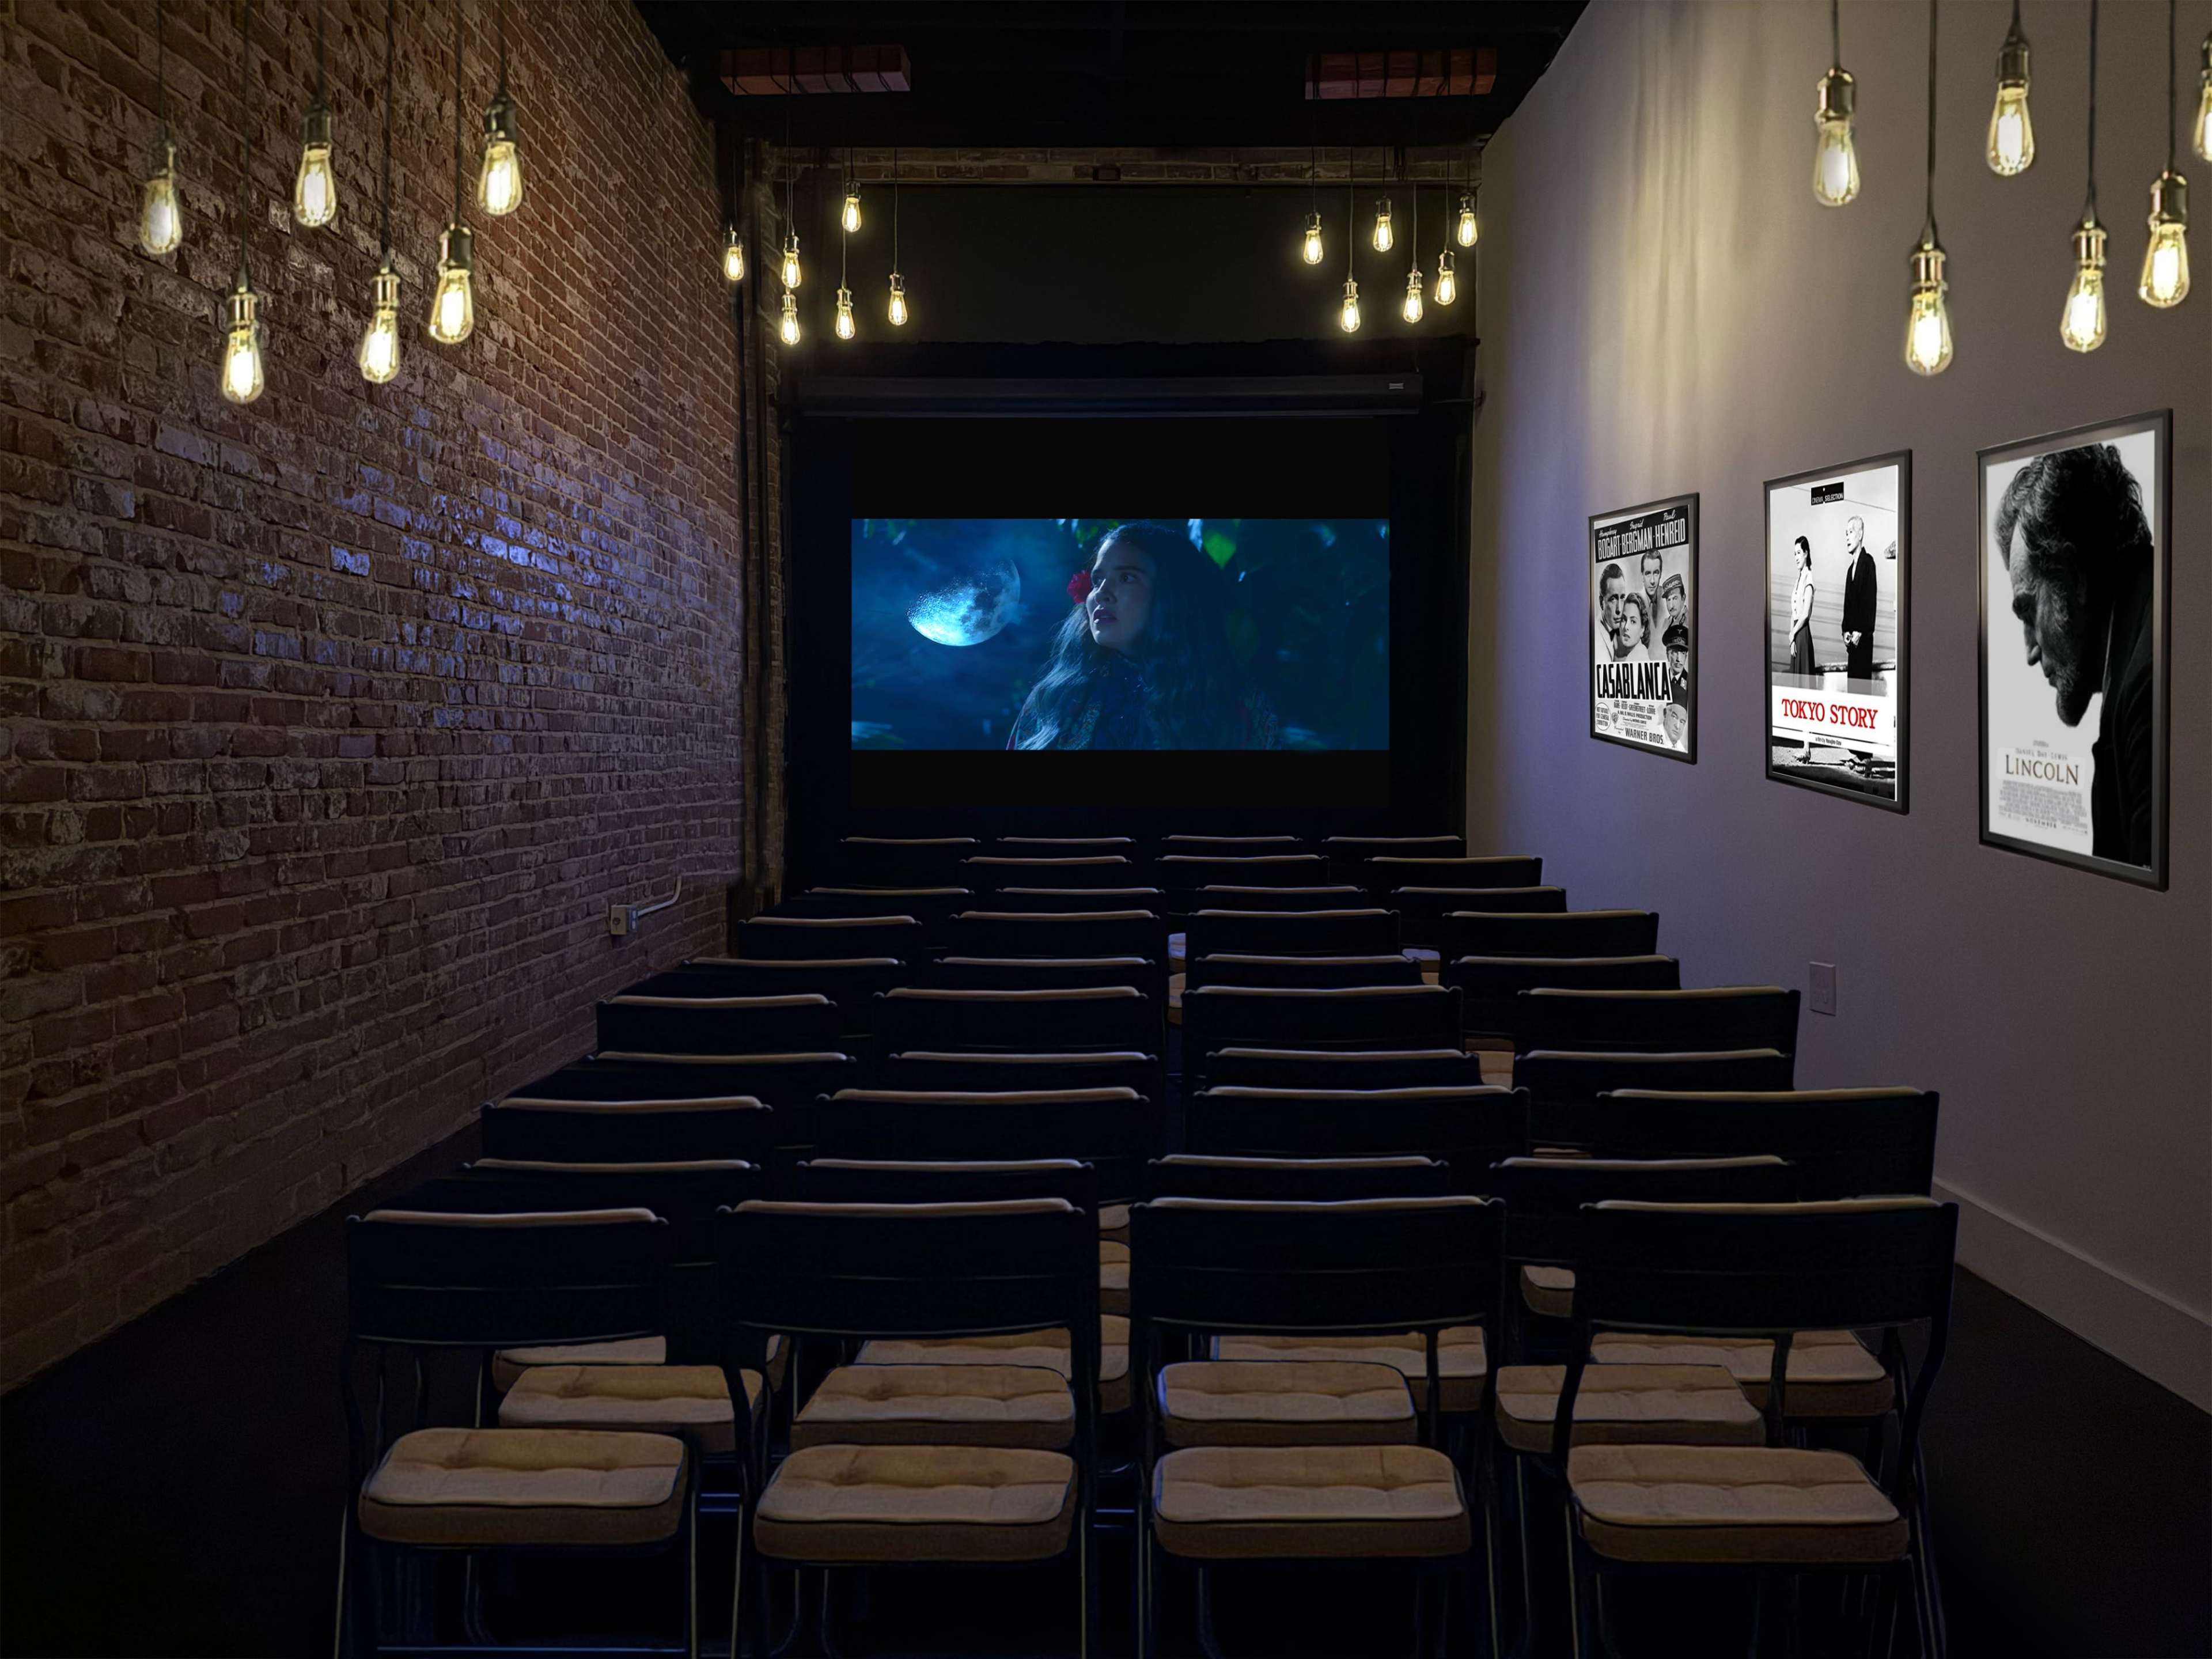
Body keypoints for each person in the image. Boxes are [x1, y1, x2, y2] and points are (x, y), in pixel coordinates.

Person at [1994, 442, 2156, 866]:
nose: (2029, 650)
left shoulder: (2150, 686)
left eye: (2029, 611)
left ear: (2075, 578)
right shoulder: (2146, 638)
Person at [1007, 521, 1279, 750]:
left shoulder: (1235, 706)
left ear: (1172, 595)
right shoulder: (1056, 697)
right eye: (1097, 580)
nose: (1101, 592)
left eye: (1126, 578)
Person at [1840, 515, 1877, 679]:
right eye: (1846, 533)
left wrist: (1861, 631)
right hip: (1852, 647)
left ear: (1860, 534)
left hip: (1864, 642)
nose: (1847, 537)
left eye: (1851, 532)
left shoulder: (1868, 563)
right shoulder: (1850, 571)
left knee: (1862, 692)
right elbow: (1847, 607)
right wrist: (1845, 631)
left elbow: (1871, 603)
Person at [1788, 535, 1818, 673]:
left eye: (1799, 553)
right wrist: (1792, 639)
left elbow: (1805, 614)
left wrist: (1793, 634)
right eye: (1795, 554)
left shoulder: (1808, 578)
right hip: (1795, 636)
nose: (1796, 558)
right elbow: (1793, 614)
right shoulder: (1797, 581)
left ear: (1806, 554)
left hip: (1802, 634)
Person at [1611, 590, 1654, 662]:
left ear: (1642, 629)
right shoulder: (1632, 656)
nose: (1626, 627)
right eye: (1624, 619)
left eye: (1633, 622)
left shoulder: (1638, 657)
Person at [1596, 563, 1627, 657]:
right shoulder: (1596, 641)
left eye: (1622, 598)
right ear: (1602, 603)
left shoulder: (1622, 633)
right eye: (1613, 599)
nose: (1619, 609)